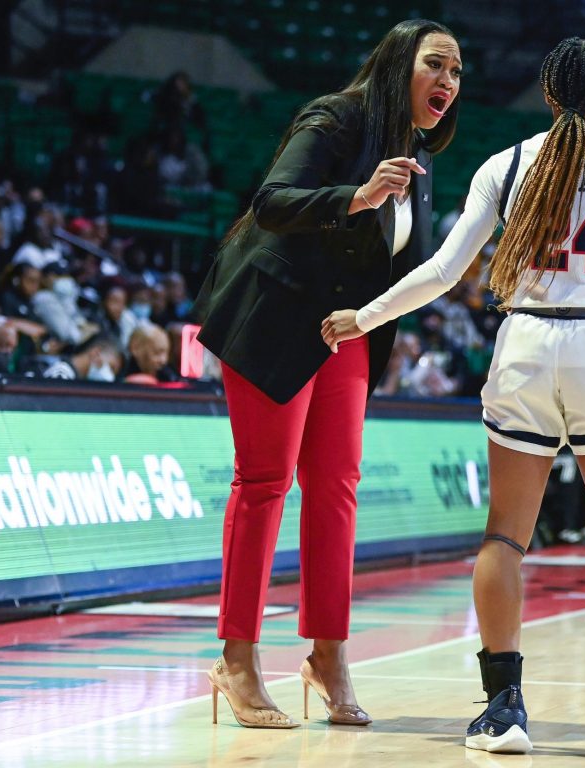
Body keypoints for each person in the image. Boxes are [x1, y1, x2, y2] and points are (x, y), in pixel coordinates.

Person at [322, 36, 585, 756]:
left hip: (527, 348)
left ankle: (504, 709)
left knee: (506, 535)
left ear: (546, 94)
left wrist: (368, 314)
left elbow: (446, 270)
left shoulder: (505, 164)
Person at [191, 19, 460, 729]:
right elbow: (272, 202)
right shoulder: (336, 119)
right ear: (400, 63)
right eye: (436, 65)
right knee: (264, 483)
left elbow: (411, 269)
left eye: (457, 74)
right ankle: (237, 659)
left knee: (337, 487)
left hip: (347, 332)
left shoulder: (420, 162)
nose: (448, 83)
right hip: (274, 317)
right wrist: (358, 196)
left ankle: (327, 654)